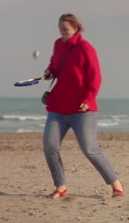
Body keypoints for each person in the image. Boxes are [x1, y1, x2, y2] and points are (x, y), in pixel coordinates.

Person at [42, 13, 124, 199]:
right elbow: (55, 65)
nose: (62, 32)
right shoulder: (58, 44)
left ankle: (116, 184)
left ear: (76, 29)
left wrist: (88, 99)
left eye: (66, 29)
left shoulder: (86, 48)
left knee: (90, 149)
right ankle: (60, 187)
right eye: (60, 29)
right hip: (57, 107)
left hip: (82, 109)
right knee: (50, 147)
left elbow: (95, 77)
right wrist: (49, 71)